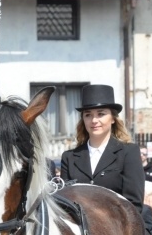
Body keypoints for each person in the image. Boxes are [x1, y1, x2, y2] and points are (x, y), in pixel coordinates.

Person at [60, 85, 145, 214]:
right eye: (88, 115)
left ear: (113, 119)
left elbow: (133, 204)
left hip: (118, 224)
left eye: (101, 114)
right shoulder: (69, 157)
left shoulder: (128, 152)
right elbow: (64, 202)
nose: (94, 120)